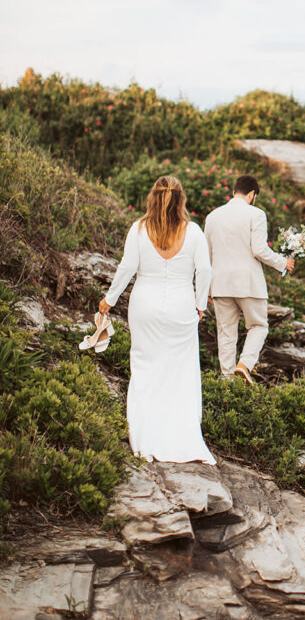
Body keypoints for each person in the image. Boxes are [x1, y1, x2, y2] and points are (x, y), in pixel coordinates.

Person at [99, 175, 215, 464]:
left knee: (145, 368)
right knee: (180, 372)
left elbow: (127, 268)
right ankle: (181, 439)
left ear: (153, 197)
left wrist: (109, 300)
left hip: (145, 306)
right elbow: (205, 271)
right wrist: (200, 304)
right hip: (181, 307)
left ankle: (146, 437)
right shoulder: (195, 232)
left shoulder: (138, 229)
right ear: (181, 200)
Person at [204, 174, 294, 384]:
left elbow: (207, 255)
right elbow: (260, 249)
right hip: (248, 284)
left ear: (234, 191)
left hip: (220, 284)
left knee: (226, 335)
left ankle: (227, 383)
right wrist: (283, 263)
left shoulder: (212, 217)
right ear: (252, 194)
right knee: (259, 326)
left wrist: (208, 289)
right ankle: (244, 365)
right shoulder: (256, 214)